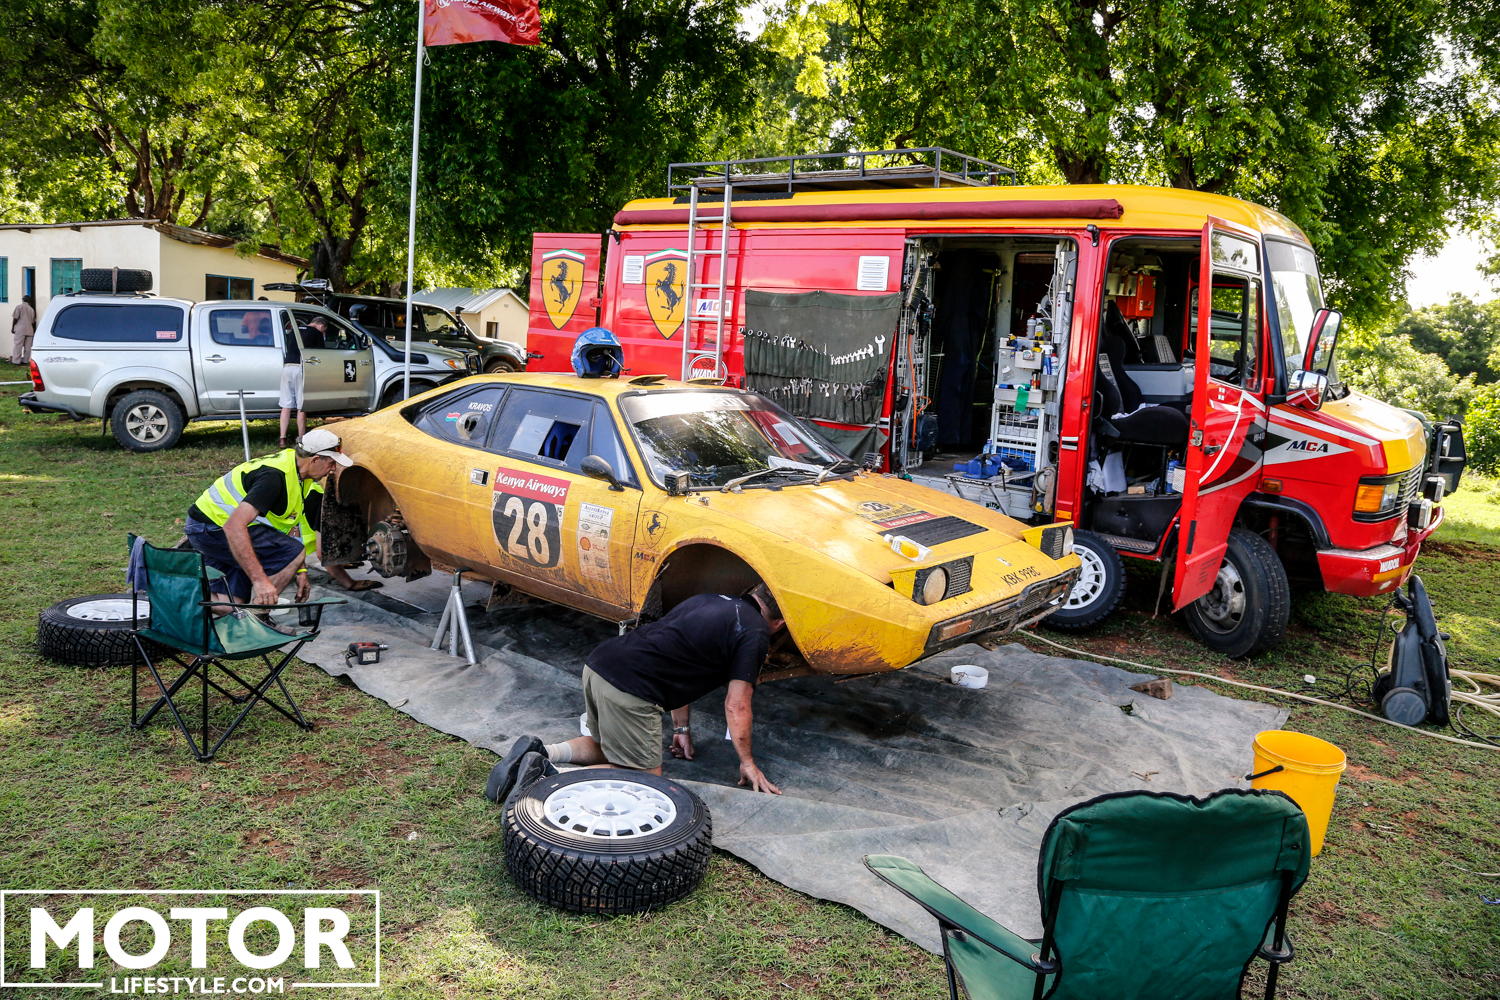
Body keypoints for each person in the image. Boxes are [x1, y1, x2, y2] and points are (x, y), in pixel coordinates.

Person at [486, 585, 786, 805]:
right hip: (632, 689)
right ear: (782, 623)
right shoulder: (755, 632)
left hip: (601, 664)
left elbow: (680, 661)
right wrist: (748, 763)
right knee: (646, 777)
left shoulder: (709, 599)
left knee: (608, 746)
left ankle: (541, 751)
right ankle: (546, 774)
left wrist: (681, 729)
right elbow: (737, 705)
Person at [183, 428, 351, 608]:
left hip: (213, 526)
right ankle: (260, 615)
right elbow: (234, 526)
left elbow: (291, 527)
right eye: (332, 463)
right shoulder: (274, 478)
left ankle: (178, 594)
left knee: (229, 606)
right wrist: (260, 581)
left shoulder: (299, 473)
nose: (333, 469)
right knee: (291, 553)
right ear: (315, 460)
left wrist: (301, 570)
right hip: (211, 528)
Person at [279, 315, 310, 449]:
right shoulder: (315, 333)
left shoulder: (293, 331)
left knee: (286, 405)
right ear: (321, 326)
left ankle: (282, 439)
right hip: (300, 368)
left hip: (287, 367)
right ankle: (301, 439)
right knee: (301, 406)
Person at [10, 295, 36, 367]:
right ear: (29, 301)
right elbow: (33, 321)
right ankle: (25, 360)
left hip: (20, 329)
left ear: (22, 299)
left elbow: (15, 318)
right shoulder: (31, 309)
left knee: (18, 345)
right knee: (28, 347)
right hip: (29, 330)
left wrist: (13, 327)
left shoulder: (19, 307)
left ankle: (16, 361)